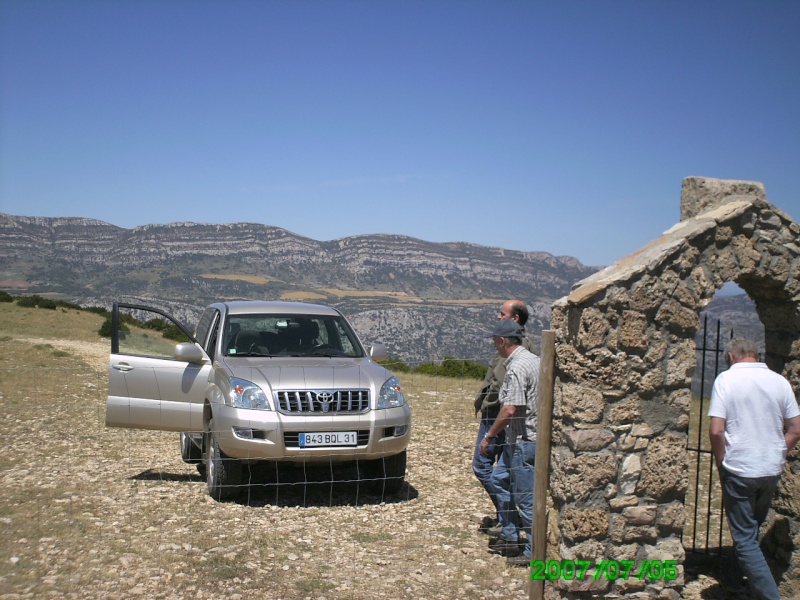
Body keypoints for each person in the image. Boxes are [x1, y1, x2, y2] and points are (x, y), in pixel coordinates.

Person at [708, 338, 800, 600]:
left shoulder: (726, 380)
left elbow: (716, 430)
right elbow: (795, 429)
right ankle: (734, 580)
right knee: (752, 527)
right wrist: (777, 451)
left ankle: (771, 597)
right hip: (770, 468)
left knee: (745, 537)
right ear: (755, 355)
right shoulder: (779, 381)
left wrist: (721, 459)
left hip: (739, 467)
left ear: (731, 356)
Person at [479, 319, 540, 566]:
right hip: (523, 439)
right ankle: (510, 534)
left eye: (496, 342)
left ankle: (532, 553)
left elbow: (510, 409)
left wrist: (489, 436)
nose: (495, 347)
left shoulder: (515, 369)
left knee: (525, 498)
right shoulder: (535, 361)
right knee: (498, 479)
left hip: (523, 440)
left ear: (503, 342)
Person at [472, 300, 532, 537]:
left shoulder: (519, 352)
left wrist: (494, 423)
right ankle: (507, 519)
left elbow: (506, 390)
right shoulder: (513, 347)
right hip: (494, 412)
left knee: (484, 466)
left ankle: (509, 520)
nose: (498, 316)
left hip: (498, 415)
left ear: (514, 319)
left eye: (502, 313)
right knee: (495, 470)